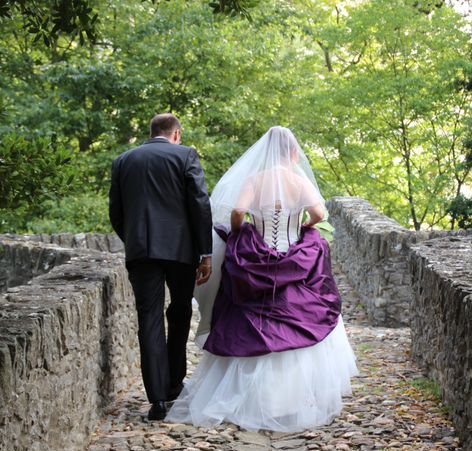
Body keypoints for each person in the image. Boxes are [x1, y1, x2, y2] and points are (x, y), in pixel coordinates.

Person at [166, 126, 358, 432]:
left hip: (257, 256)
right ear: (293, 152)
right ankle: (292, 400)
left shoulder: (255, 179)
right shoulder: (298, 180)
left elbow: (239, 211)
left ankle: (248, 399)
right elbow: (320, 213)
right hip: (294, 256)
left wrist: (243, 230)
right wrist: (304, 226)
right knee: (302, 315)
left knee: (247, 319)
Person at [109, 113, 213, 421]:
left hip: (141, 252)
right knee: (180, 312)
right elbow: (200, 203)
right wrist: (205, 252)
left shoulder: (124, 161)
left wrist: (134, 239)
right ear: (176, 134)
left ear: (151, 131)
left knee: (149, 318)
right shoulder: (185, 156)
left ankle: (156, 400)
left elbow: (116, 211)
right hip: (181, 251)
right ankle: (173, 385)